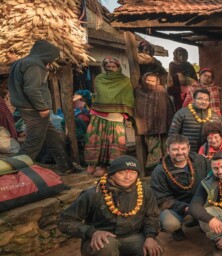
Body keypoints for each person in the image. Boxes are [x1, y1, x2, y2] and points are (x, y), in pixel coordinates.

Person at [59, 155, 163, 256]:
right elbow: (65, 220)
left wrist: (150, 236)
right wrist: (92, 232)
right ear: (111, 174)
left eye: (133, 172)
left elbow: (152, 216)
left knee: (154, 250)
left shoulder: (145, 191)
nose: (127, 177)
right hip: (103, 238)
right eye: (121, 172)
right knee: (105, 247)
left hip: (133, 236)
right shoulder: (94, 193)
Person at [8, 41, 74, 172]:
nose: (53, 60)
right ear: (46, 54)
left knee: (54, 138)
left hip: (30, 108)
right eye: (52, 57)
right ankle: (14, 171)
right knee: (33, 143)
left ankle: (66, 167)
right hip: (34, 110)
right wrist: (42, 108)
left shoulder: (22, 62)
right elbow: (32, 89)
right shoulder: (34, 65)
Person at [150, 135, 209, 241]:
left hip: (201, 201)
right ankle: (177, 230)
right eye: (175, 149)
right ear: (167, 150)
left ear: (189, 148)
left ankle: (197, 220)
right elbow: (162, 199)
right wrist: (187, 208)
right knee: (169, 223)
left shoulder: (200, 160)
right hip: (176, 206)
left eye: (183, 148)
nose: (180, 152)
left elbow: (211, 178)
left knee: (212, 219)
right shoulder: (159, 171)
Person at [84, 57, 135, 176]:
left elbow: (128, 97)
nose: (111, 69)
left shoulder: (125, 81)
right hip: (98, 114)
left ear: (118, 67)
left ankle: (106, 167)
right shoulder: (100, 79)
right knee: (94, 139)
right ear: (104, 68)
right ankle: (92, 164)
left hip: (116, 117)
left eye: (113, 67)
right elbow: (103, 95)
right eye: (108, 67)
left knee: (113, 143)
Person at [135, 72, 174, 168]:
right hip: (148, 125)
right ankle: (155, 168)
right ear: (143, 80)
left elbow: (168, 106)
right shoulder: (139, 91)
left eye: (153, 81)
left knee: (166, 146)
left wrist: (169, 121)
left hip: (162, 123)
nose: (150, 83)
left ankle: (167, 166)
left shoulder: (162, 90)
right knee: (152, 148)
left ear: (157, 82)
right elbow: (137, 108)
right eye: (148, 80)